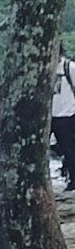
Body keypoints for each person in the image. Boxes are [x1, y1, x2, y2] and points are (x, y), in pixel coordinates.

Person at [52, 50, 75, 188]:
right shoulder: (44, 68)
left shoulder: (69, 67)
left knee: (69, 149)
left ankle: (73, 180)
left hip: (67, 114)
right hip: (49, 115)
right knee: (52, 148)